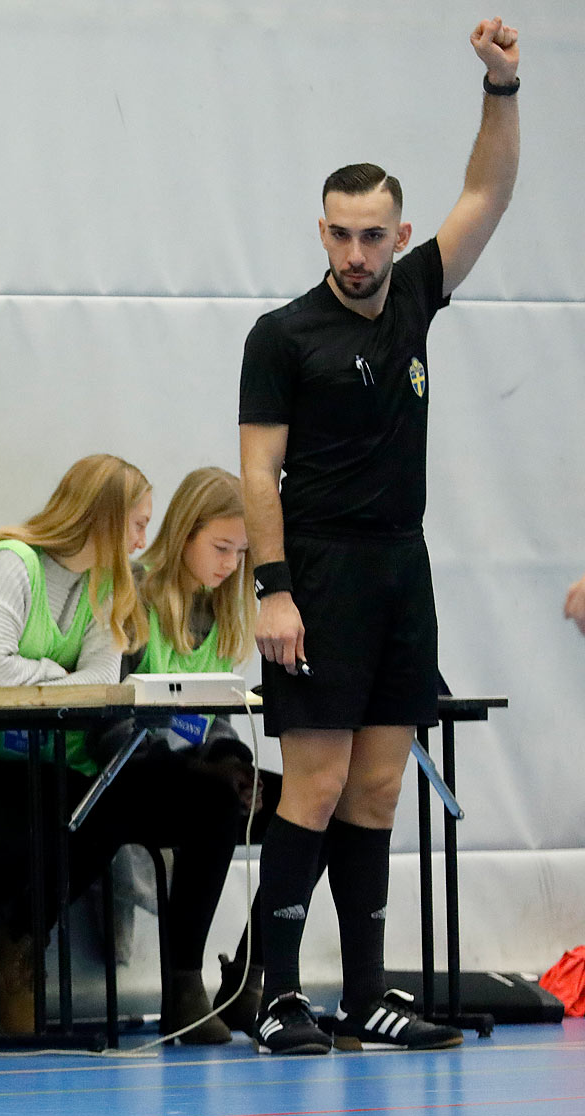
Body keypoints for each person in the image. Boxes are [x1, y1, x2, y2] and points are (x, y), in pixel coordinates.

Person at [238, 18, 521, 1055]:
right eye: (340, 235)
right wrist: (273, 588)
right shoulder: (280, 337)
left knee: (378, 784)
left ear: (399, 239)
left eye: (374, 236)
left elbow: (487, 196)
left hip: (404, 570)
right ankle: (276, 995)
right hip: (314, 573)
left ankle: (366, 997)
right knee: (311, 785)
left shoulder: (414, 303)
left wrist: (503, 89)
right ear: (321, 234)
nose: (357, 254)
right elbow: (257, 471)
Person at [0, 454, 250, 1038]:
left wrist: (41, 672)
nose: (142, 541)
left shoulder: (109, 588)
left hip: (31, 761)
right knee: (38, 817)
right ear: (99, 519)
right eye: (135, 524)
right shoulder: (13, 562)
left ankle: (7, 952)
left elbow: (101, 683)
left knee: (92, 811)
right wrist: (59, 673)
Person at [115, 466, 275, 1043]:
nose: (230, 564)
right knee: (214, 800)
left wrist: (233, 759)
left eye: (241, 552)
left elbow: (214, 717)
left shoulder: (221, 609)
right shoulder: (133, 595)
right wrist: (206, 768)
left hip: (193, 768)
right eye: (221, 547)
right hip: (133, 771)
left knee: (311, 803)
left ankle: (254, 971)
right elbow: (113, 719)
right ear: (184, 534)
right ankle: (184, 984)